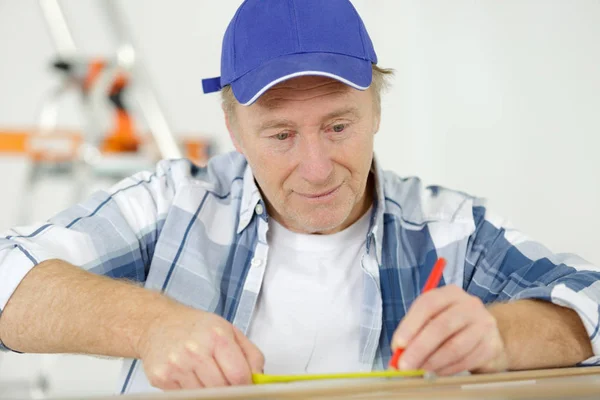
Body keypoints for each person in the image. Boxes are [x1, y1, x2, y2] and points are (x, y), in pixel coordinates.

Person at [0, 0, 598, 395]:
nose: (316, 169)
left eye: (338, 127)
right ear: (234, 132)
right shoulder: (173, 203)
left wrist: (500, 336)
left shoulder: (450, 229)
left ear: (377, 110)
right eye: (281, 135)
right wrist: (152, 326)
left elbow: (592, 302)